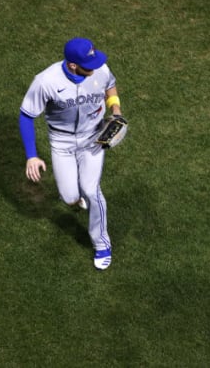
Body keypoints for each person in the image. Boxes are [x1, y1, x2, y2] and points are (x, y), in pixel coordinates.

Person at [18, 37, 124, 270]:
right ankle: (76, 201)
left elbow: (110, 85)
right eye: (90, 64)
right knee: (69, 197)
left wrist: (115, 107)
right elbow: (26, 115)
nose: (96, 67)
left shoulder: (99, 69)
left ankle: (101, 243)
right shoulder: (46, 81)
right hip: (62, 142)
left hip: (93, 138)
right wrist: (31, 155)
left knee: (91, 190)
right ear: (73, 65)